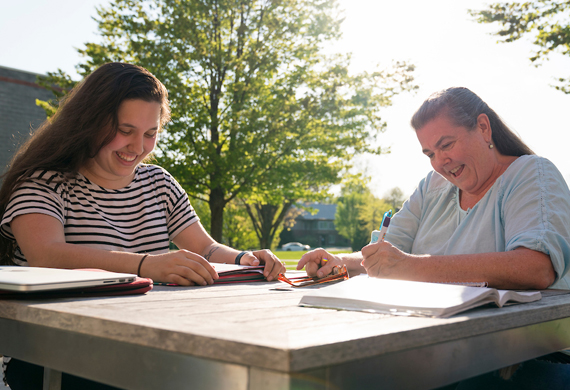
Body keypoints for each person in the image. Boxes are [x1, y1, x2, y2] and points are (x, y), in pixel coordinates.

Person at [0, 62, 285, 390]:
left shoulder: (159, 183)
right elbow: (46, 256)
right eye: (126, 130)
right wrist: (147, 266)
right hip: (58, 358)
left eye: (150, 134)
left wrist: (243, 258)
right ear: (91, 123)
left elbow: (205, 248)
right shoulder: (43, 183)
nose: (138, 148)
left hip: (143, 351)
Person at [297, 87, 570, 389]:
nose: (441, 161)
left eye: (446, 145)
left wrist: (411, 267)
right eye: (430, 153)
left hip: (521, 359)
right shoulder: (432, 187)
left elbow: (536, 267)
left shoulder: (531, 173)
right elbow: (389, 254)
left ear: (483, 127)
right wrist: (341, 262)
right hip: (437, 351)